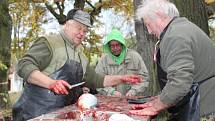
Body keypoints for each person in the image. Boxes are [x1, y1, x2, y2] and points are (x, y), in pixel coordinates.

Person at [12, 9, 142, 121]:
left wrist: (121, 79)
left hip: (62, 114)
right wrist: (51, 83)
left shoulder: (81, 54)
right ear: (67, 25)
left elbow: (95, 80)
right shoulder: (49, 42)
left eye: (85, 31)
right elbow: (24, 65)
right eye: (79, 28)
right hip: (34, 114)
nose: (82, 33)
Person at [129, 0, 215, 121]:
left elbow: (180, 83)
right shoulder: (181, 28)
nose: (149, 31)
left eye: (148, 24)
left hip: (206, 110)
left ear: (159, 16)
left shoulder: (175, 36)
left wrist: (155, 107)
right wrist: (160, 98)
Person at [95, 28, 149, 97]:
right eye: (112, 46)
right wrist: (111, 92)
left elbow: (144, 78)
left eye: (117, 45)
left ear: (122, 44)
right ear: (108, 46)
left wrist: (134, 90)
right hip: (111, 101)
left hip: (134, 100)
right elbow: (98, 82)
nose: (115, 48)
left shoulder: (135, 56)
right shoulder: (103, 61)